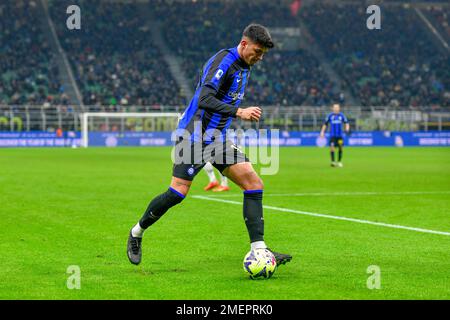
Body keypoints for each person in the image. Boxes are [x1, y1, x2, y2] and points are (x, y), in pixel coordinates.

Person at [127, 24, 292, 267]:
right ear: (244, 44)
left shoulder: (246, 65)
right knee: (177, 193)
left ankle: (260, 251)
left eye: (263, 54)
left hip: (217, 138)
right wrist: (239, 112)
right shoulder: (223, 62)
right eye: (257, 52)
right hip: (193, 135)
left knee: (253, 183)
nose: (259, 58)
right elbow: (204, 99)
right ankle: (136, 233)